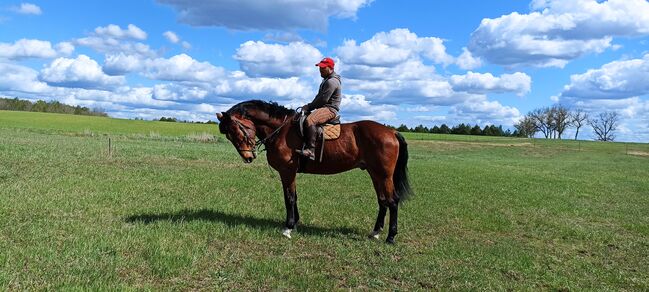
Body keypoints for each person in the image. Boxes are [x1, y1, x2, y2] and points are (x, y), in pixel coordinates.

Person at [295, 57, 342, 160]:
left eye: (323, 68)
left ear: (330, 68)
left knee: (310, 120)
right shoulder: (326, 80)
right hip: (324, 108)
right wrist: (309, 105)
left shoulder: (332, 82)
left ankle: (310, 150)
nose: (320, 70)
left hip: (330, 109)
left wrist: (309, 107)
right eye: (320, 67)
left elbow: (323, 100)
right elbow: (318, 97)